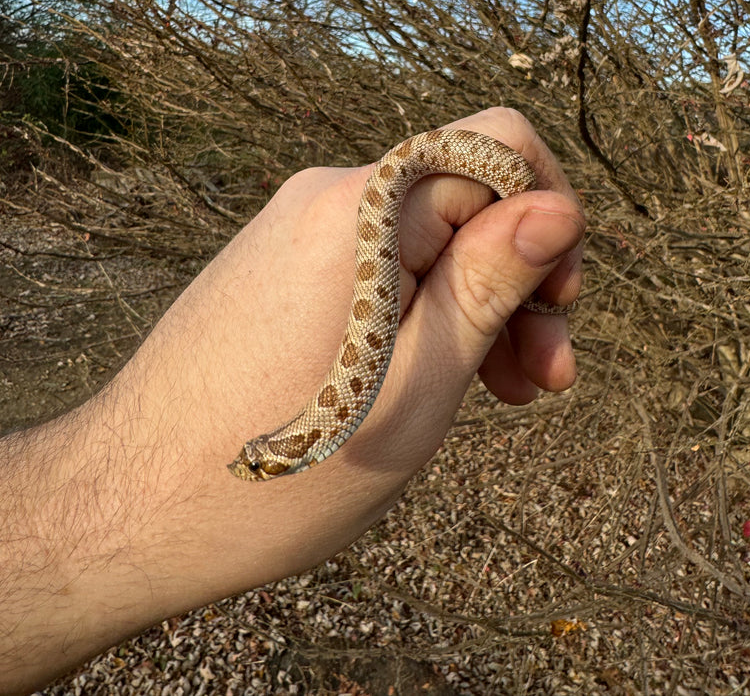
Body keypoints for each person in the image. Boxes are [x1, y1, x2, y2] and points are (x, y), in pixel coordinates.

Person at [0, 108, 584, 695]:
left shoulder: (329, 417)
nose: (246, 468)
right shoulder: (321, 421)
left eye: (257, 462)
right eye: (254, 462)